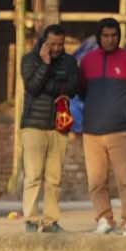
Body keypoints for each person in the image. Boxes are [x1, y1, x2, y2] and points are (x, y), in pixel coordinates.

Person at [78, 17, 126, 235]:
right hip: (91, 132)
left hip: (120, 130)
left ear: (119, 37)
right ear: (98, 38)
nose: (110, 40)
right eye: (105, 36)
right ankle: (104, 219)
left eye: (114, 35)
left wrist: (121, 109)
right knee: (96, 181)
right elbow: (81, 90)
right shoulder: (87, 61)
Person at [17, 22, 80, 231]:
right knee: (33, 175)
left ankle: (51, 220)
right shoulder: (29, 60)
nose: (56, 48)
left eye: (60, 44)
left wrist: (50, 86)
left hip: (59, 126)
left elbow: (72, 88)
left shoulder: (70, 62)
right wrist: (45, 64)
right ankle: (32, 220)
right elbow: (33, 87)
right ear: (44, 41)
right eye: (52, 44)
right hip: (34, 125)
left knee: (54, 178)